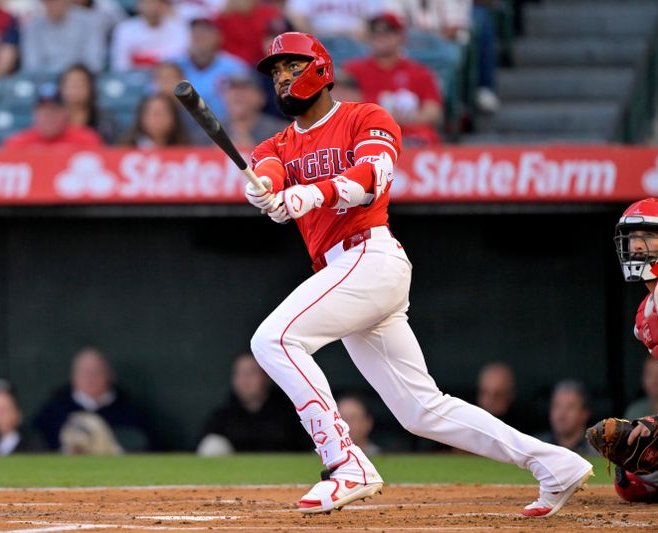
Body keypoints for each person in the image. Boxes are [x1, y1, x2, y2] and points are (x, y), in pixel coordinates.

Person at [245, 31, 592, 516]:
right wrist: (265, 192)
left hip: (370, 257)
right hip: (345, 272)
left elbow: (373, 179)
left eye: (292, 67)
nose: (282, 78)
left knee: (274, 339)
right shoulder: (275, 144)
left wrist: (308, 195)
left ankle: (344, 462)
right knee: (421, 410)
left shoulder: (365, 117)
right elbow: (269, 174)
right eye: (276, 72)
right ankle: (554, 463)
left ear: (320, 69)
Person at [603, 198, 658, 502]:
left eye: (649, 235)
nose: (638, 246)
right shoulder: (648, 311)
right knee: (632, 481)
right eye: (632, 238)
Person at [342, 14, 443, 147]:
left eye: (388, 31)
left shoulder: (419, 72)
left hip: (410, 135)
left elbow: (433, 111)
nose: (381, 37)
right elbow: (340, 107)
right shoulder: (352, 70)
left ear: (401, 36)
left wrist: (405, 118)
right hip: (367, 134)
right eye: (375, 32)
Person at [33, 347, 151, 451]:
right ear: (73, 376)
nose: (90, 377)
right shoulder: (54, 410)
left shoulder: (129, 411)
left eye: (96, 371)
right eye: (84, 371)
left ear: (109, 375)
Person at [196, 352, 309, 456]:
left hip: (281, 472)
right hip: (233, 473)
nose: (245, 380)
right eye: (239, 373)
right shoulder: (222, 416)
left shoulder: (288, 413)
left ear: (267, 377)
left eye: (252, 372)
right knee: (213, 444)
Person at [173, 16, 249, 122]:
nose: (198, 36)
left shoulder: (235, 67)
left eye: (204, 32)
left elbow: (248, 102)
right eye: (195, 32)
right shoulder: (176, 65)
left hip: (225, 128)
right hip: (184, 131)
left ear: (218, 36)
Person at [4, 82, 103, 148]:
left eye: (54, 111)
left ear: (64, 113)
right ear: (35, 114)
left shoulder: (86, 139)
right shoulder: (17, 143)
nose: (49, 117)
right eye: (44, 111)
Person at [21, 0, 105, 73]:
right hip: (44, 82)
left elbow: (95, 63)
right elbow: (32, 65)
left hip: (81, 81)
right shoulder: (33, 27)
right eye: (47, 1)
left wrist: (72, 76)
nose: (51, 5)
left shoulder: (89, 22)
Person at [109, 0, 188, 70]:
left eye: (155, 2)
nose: (151, 7)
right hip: (135, 78)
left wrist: (142, 59)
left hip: (168, 77)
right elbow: (120, 64)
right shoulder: (125, 28)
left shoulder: (178, 28)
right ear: (138, 5)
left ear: (163, 5)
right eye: (146, 2)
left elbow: (178, 58)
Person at [221, 71, 288, 148]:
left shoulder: (281, 132)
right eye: (232, 89)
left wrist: (250, 150)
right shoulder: (210, 130)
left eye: (244, 89)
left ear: (261, 98)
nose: (237, 94)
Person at [534, 381, 596, 456]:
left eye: (570, 407)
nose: (562, 414)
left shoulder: (599, 452)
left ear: (584, 414)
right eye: (557, 406)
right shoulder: (537, 448)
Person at [59, 63, 116, 144]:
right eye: (71, 84)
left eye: (80, 83)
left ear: (90, 87)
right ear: (61, 88)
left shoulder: (103, 122)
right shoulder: (52, 119)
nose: (75, 88)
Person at [117, 93, 189, 148]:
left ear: (174, 118)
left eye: (164, 113)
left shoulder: (186, 148)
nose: (159, 119)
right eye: (155, 113)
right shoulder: (126, 148)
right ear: (142, 117)